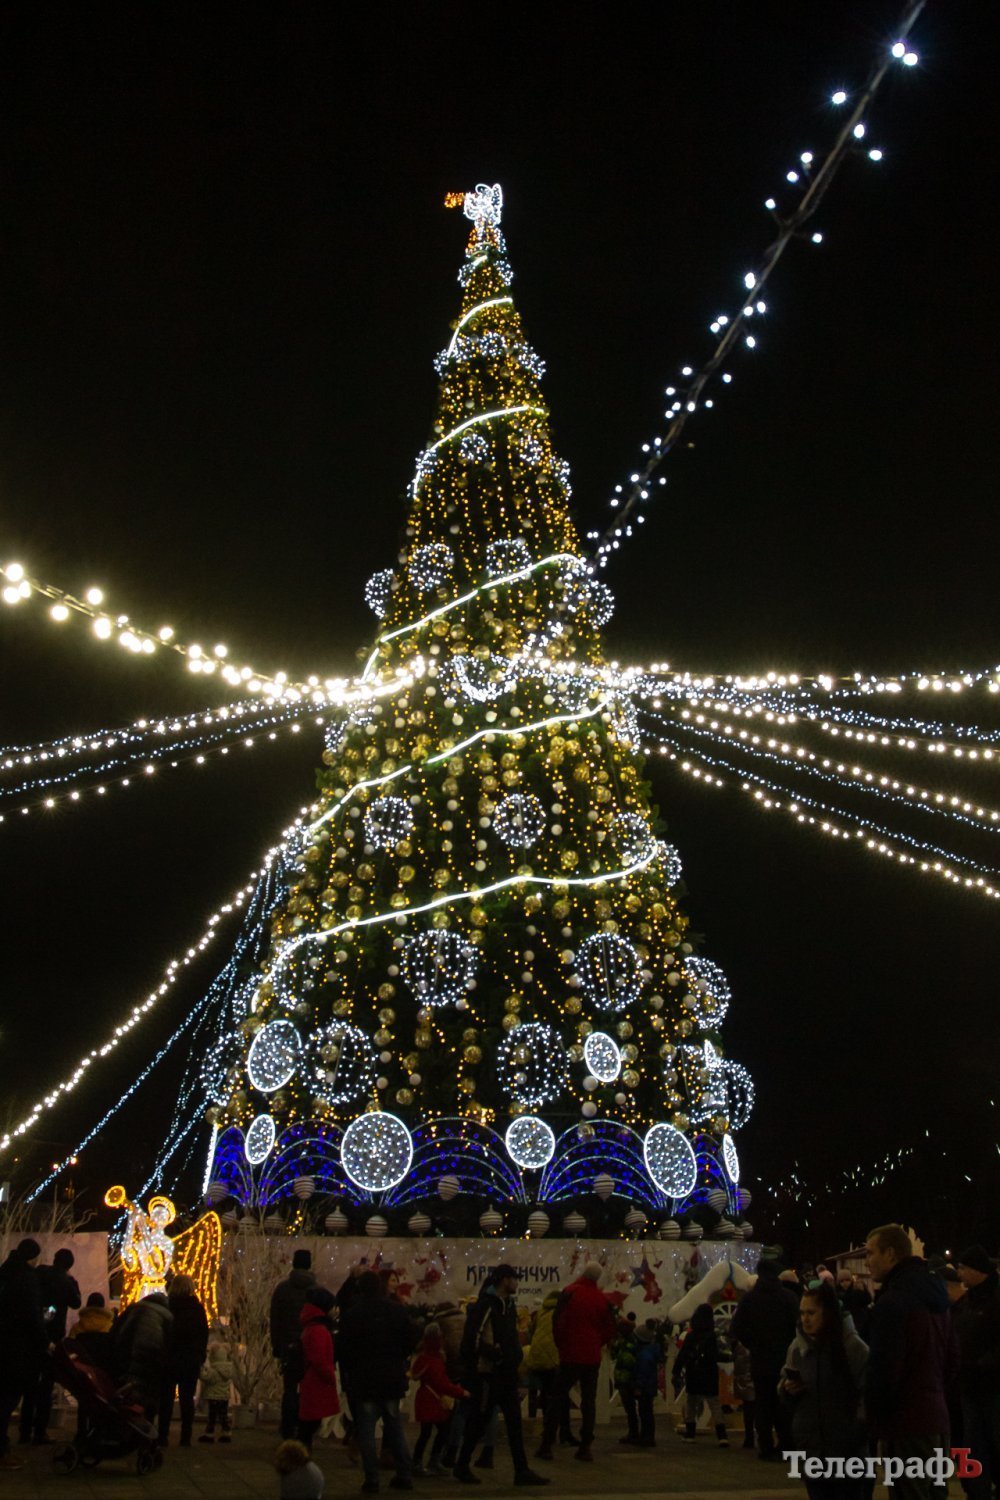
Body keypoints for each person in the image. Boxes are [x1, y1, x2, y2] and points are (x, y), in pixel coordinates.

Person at [864, 1222, 958, 1499]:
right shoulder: (938, 1299)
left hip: (905, 1425)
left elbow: (885, 1370)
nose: (867, 1262)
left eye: (870, 1253)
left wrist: (875, 1417)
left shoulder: (893, 1303)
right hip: (937, 1418)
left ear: (890, 1254)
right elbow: (953, 1358)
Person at [453, 1264, 548, 1487]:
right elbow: (471, 1339)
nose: (517, 1283)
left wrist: (514, 1359)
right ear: (505, 1280)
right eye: (514, 1278)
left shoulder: (508, 1305)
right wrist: (493, 1354)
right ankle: (462, 1464)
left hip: (505, 1374)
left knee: (513, 1422)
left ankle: (521, 1470)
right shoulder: (486, 1305)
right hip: (488, 1375)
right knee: (479, 1421)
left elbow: (510, 1336)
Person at [780, 1280, 869, 1499]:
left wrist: (856, 1431)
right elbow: (783, 1386)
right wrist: (787, 1389)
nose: (805, 1319)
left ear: (827, 1313)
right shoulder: (797, 1348)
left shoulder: (852, 1347)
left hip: (847, 1452)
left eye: (811, 1313)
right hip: (812, 1449)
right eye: (802, 1313)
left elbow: (870, 1393)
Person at [337, 1270, 415, 1493]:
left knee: (367, 1430)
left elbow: (344, 1349)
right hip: (391, 1377)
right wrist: (399, 1359)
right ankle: (404, 1473)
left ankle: (372, 1478)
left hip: (365, 1379)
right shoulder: (396, 1310)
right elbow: (410, 1338)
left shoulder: (353, 1315)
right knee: (394, 1427)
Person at [537, 1261, 615, 1462]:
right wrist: (596, 1342)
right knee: (588, 1402)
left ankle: (547, 1444)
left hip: (570, 1354)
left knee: (557, 1398)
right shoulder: (602, 1299)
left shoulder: (570, 1292)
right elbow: (608, 1328)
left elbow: (558, 1321)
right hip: (592, 1356)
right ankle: (585, 1446)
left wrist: (562, 1345)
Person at [731, 1258, 799, 1460]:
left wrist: (753, 1344)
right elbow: (797, 1327)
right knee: (784, 1404)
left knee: (763, 1404)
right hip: (784, 1359)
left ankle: (766, 1445)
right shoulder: (788, 1298)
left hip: (760, 1359)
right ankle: (786, 1445)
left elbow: (737, 1328)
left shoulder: (749, 1299)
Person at [20, 1246, 82, 1445]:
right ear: (69, 1265)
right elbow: (76, 1302)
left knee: (29, 1385)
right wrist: (72, 1282)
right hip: (53, 1339)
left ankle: (24, 1431)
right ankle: (40, 1432)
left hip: (32, 1336)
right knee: (46, 1387)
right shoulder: (66, 1282)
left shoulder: (39, 1274)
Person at [954, 1245, 1000, 1497]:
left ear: (977, 1270)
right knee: (973, 1447)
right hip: (969, 1387)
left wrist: (983, 1363)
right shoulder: (967, 1301)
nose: (959, 1273)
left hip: (993, 1387)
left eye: (962, 1268)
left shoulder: (994, 1300)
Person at [0, 1238, 46, 1470]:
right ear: (32, 1257)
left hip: (3, 1344)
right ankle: (1, 1452)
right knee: (7, 1399)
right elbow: (32, 1316)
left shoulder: (5, 1271)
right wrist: (44, 1341)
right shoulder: (27, 1279)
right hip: (16, 1348)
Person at [271, 1250, 318, 1441]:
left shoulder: (283, 1289)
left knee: (289, 1388)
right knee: (308, 1388)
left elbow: (275, 1320)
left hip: (289, 1345)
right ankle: (304, 1426)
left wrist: (277, 1346)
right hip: (310, 1344)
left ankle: (287, 1427)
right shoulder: (316, 1291)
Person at [158, 1272, 209, 1446]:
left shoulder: (168, 1307)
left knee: (166, 1398)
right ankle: (186, 1436)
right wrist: (200, 1355)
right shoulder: (197, 1308)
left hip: (170, 1357)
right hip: (190, 1358)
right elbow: (203, 1334)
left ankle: (162, 1435)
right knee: (187, 1398)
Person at [410, 1322, 467, 1476]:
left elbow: (417, 1375)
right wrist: (461, 1392)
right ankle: (429, 1461)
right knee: (440, 1431)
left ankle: (419, 1461)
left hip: (426, 1399)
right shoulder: (436, 1359)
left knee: (427, 1432)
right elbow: (442, 1383)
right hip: (434, 1401)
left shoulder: (424, 1358)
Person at [672, 1303, 727, 1445]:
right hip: (709, 1372)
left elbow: (683, 1354)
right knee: (714, 1403)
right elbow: (716, 1355)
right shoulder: (712, 1336)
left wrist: (676, 1371)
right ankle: (722, 1436)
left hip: (694, 1372)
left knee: (691, 1402)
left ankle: (690, 1434)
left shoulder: (691, 1335)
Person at [114, 1290, 174, 1420]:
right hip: (152, 1359)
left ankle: (126, 1419)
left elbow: (117, 1331)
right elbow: (169, 1342)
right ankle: (146, 1421)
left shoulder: (134, 1308)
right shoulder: (167, 1316)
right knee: (147, 1394)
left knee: (128, 1391)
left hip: (128, 1356)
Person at [525, 1291, 574, 1447]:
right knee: (562, 1397)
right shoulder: (562, 1312)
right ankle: (563, 1432)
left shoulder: (541, 1313)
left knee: (546, 1395)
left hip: (538, 1359)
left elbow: (531, 1331)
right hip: (554, 1358)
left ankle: (548, 1430)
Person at [296, 1287, 340, 1452]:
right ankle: (301, 1456)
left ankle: (302, 1455)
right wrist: (330, 1376)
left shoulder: (311, 1326)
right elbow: (319, 1359)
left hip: (312, 1380)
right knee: (310, 1424)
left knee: (308, 1424)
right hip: (316, 1382)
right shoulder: (318, 1330)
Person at [617, 1321, 663, 1447]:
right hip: (649, 1386)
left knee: (645, 1413)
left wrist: (638, 1386)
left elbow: (642, 1373)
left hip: (645, 1387)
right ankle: (646, 1436)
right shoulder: (649, 1352)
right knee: (646, 1412)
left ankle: (647, 1437)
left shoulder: (643, 1355)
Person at [199, 1334, 236, 1443]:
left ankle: (209, 1434)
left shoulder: (213, 1371)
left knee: (212, 1417)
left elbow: (205, 1377)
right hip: (224, 1397)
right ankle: (226, 1433)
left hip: (213, 1397)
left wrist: (201, 1370)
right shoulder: (228, 1371)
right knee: (223, 1416)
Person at [69, 1293, 115, 1370]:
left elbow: (70, 1348)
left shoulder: (76, 1328)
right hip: (103, 1369)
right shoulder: (110, 1327)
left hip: (82, 1370)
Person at [732, 1336, 756, 1449]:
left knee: (748, 1410)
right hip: (758, 1379)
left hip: (746, 1381)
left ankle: (749, 1437)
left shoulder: (740, 1346)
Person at [836, 1270, 873, 1341]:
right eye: (842, 1281)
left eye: (847, 1280)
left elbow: (868, 1300)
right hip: (847, 1325)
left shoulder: (856, 1289)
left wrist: (863, 1290)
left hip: (860, 1324)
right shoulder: (838, 1293)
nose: (845, 1283)